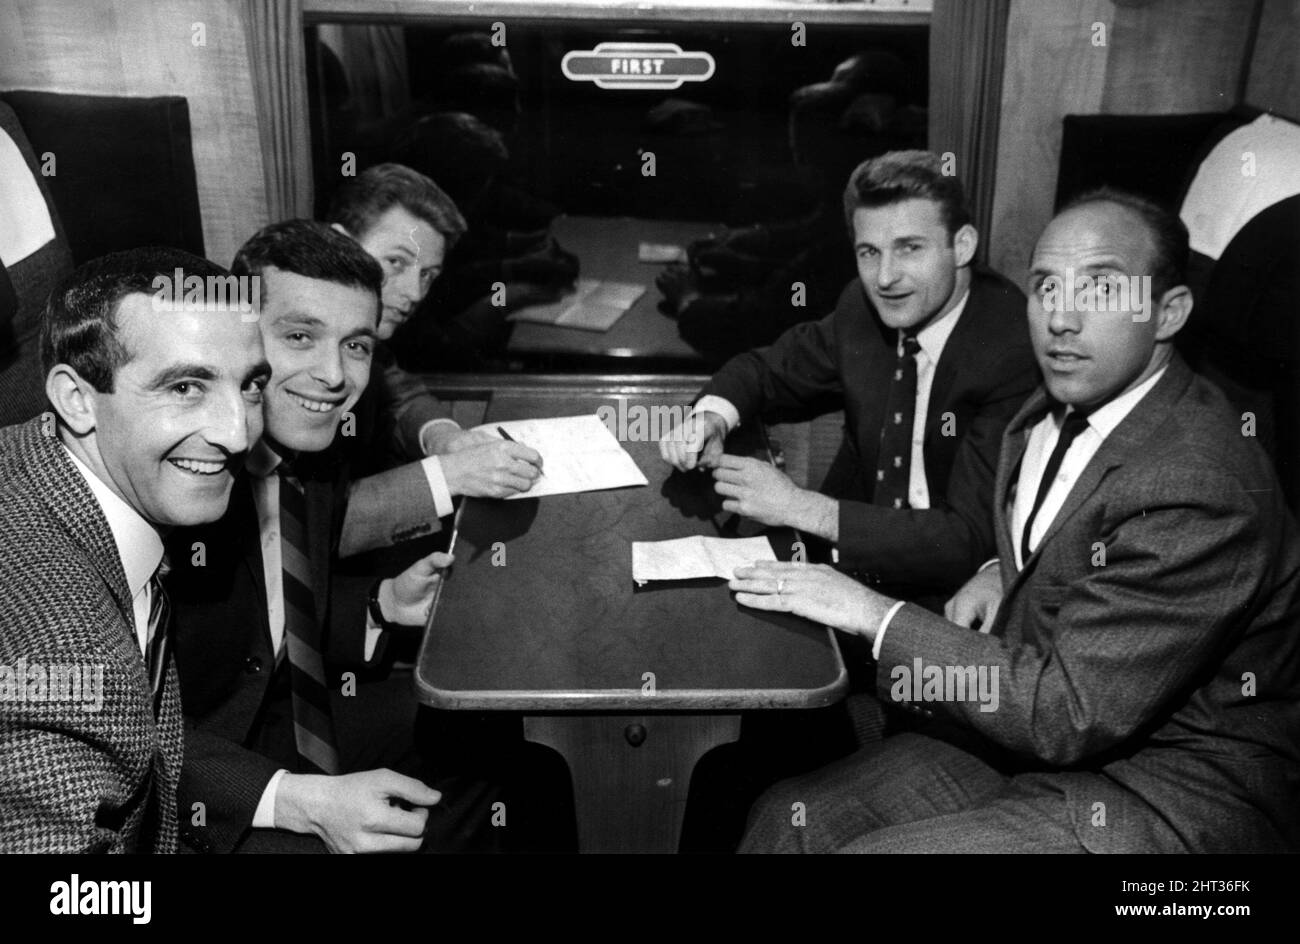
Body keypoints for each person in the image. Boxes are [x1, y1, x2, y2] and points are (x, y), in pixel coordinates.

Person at [733, 189, 1300, 853]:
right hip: (1045, 742)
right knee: (789, 819)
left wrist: (870, 611)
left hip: (1169, 788)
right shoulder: (1052, 404)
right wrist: (999, 566)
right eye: (1045, 286)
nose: (1062, 318)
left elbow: (1066, 712)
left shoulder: (1197, 486)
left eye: (1101, 288)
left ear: (1167, 311)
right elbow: (1080, 529)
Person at [167, 221, 495, 853]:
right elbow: (113, 728)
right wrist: (298, 799)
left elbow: (262, 614)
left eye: (356, 346)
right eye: (299, 336)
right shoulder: (179, 474)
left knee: (486, 746)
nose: (333, 376)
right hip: (190, 780)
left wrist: (380, 605)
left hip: (279, 714)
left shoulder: (309, 454)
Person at [661, 150, 1038, 602]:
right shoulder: (862, 307)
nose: (885, 277)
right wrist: (712, 419)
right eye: (869, 252)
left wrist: (801, 508)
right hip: (839, 568)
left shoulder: (1010, 348)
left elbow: (966, 538)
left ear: (963, 245)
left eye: (909, 248)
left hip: (945, 599)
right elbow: (765, 371)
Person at [0, 248, 268, 852]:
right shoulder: (65, 652)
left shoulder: (28, 457)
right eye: (184, 386)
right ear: (76, 399)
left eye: (250, 386)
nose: (238, 432)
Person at [325, 164, 543, 557]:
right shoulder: (281, 353)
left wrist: (447, 439)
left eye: (428, 274)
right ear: (338, 245)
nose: (413, 292)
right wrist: (450, 474)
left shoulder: (361, 337)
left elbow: (399, 393)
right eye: (396, 263)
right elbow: (312, 525)